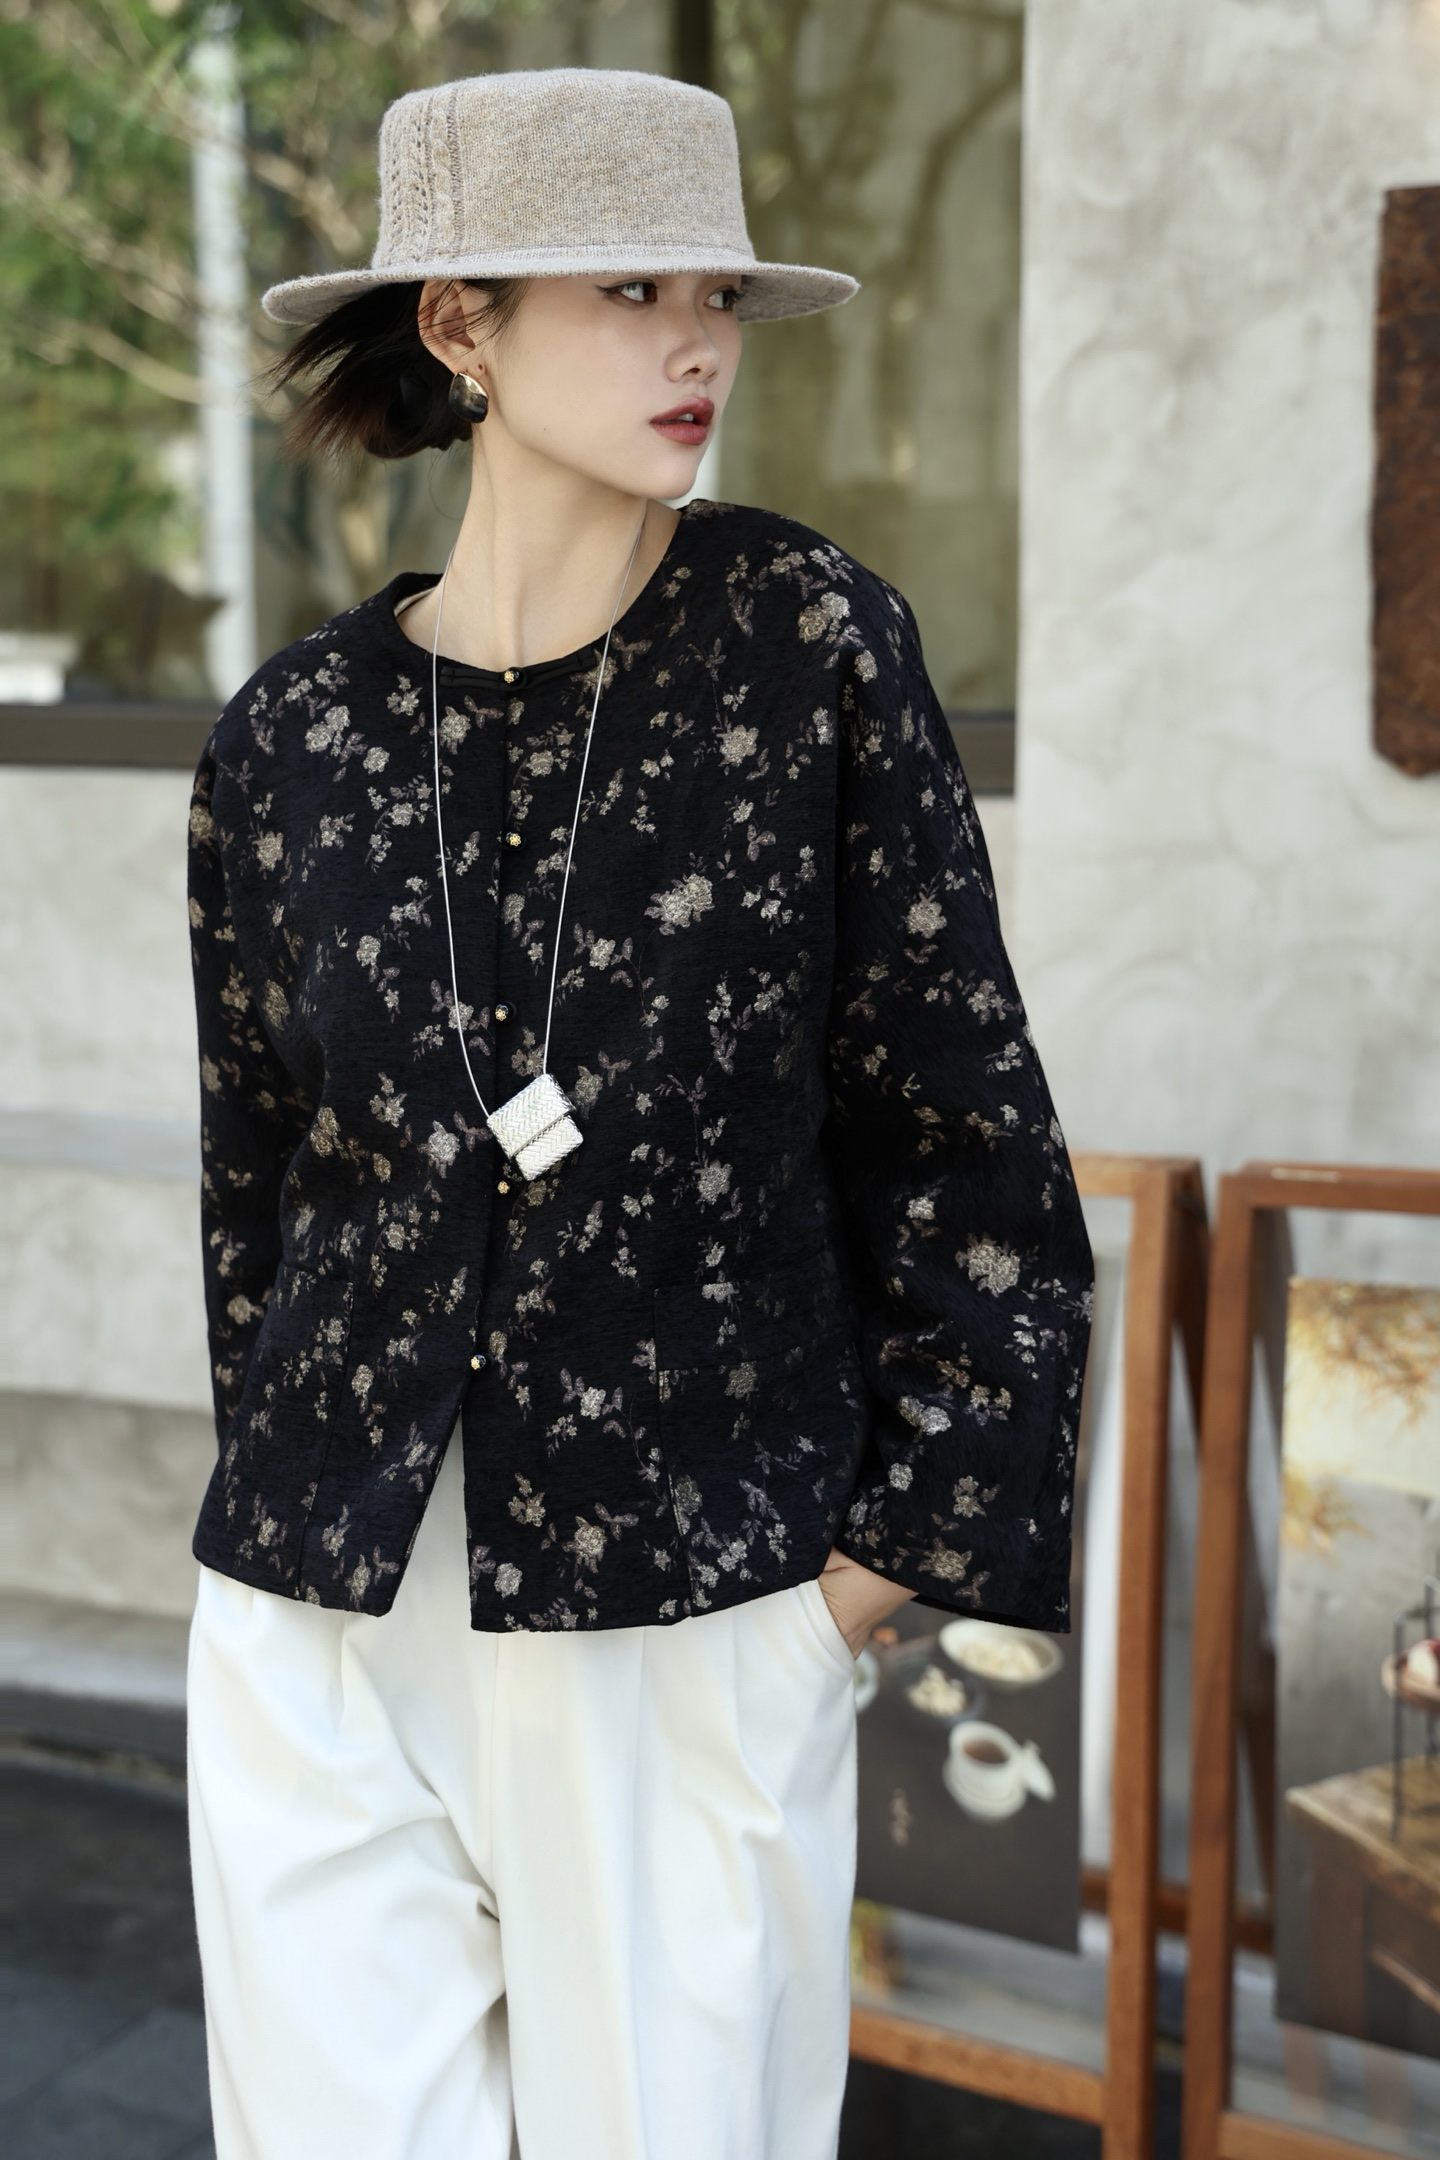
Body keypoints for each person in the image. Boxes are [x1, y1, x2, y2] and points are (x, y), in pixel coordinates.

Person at [184, 65, 1093, 2160]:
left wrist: (846, 1595)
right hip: (326, 1612)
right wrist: (285, 1504)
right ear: (462, 326)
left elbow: (965, 1138)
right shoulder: (287, 739)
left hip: (692, 1601)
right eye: (630, 290)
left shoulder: (805, 645)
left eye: (717, 294)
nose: (700, 344)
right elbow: (259, 1191)